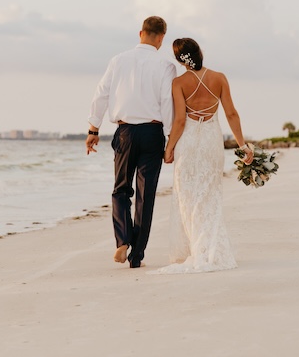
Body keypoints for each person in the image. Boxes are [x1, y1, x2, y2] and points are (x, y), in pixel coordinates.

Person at [150, 37, 253, 274]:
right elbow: (232, 114)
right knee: (210, 194)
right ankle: (211, 249)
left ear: (179, 59)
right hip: (210, 142)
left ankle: (196, 250)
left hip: (188, 143)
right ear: (200, 52)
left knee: (188, 197)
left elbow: (179, 120)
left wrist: (169, 148)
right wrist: (243, 145)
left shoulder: (178, 83)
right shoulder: (219, 78)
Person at [86, 16, 177, 268]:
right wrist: (170, 141)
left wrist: (93, 129)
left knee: (121, 189)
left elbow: (101, 94)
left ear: (141, 33)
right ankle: (137, 256)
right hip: (152, 133)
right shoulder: (166, 66)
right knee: (145, 197)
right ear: (161, 38)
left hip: (125, 132)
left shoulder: (118, 60)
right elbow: (167, 104)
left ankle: (122, 240)